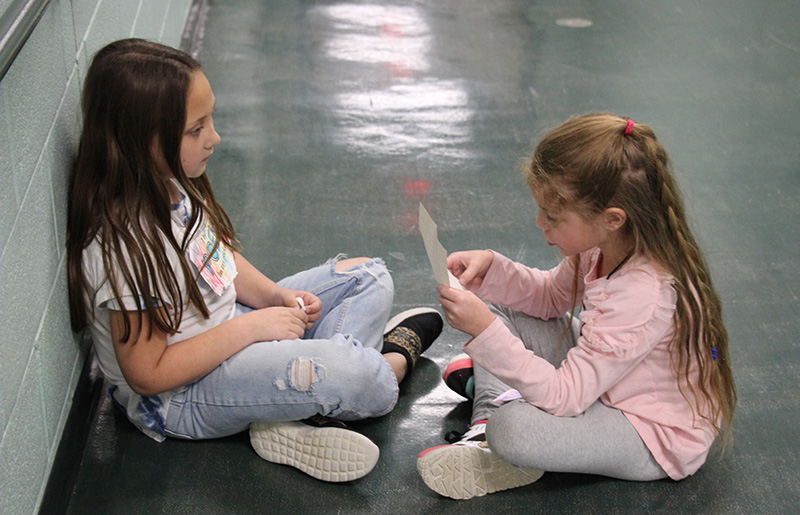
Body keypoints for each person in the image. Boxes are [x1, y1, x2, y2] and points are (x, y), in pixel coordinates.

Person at [66, 38, 443, 483]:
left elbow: (217, 257)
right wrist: (253, 328)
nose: (215, 138)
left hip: (230, 327)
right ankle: (392, 360)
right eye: (195, 129)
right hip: (185, 394)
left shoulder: (169, 182)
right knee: (362, 377)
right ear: (139, 140)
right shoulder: (126, 244)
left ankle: (297, 408)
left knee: (368, 275)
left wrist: (274, 296)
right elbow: (149, 375)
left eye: (211, 120)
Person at [417, 113, 736, 499]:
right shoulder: (604, 244)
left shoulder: (645, 293)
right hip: (605, 383)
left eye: (552, 216)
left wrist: (485, 333)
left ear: (612, 218)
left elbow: (566, 397)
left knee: (513, 429)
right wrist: (493, 271)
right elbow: (550, 297)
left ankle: (492, 418)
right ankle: (489, 409)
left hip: (647, 431)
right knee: (502, 309)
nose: (540, 223)